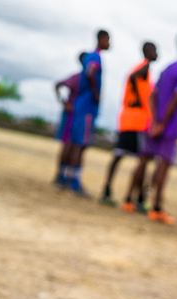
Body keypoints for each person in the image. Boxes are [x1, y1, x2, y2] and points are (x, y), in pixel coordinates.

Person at [125, 33, 177, 225]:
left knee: (143, 161)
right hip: (170, 126)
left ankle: (128, 200)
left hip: (155, 124)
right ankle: (156, 208)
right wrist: (163, 122)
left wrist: (155, 120)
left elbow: (153, 96)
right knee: (163, 166)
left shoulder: (166, 70)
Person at [101, 42, 158, 209]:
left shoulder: (145, 70)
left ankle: (109, 190)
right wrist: (140, 101)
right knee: (142, 161)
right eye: (154, 50)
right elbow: (133, 77)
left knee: (119, 156)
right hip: (137, 121)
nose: (157, 53)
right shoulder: (144, 67)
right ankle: (136, 198)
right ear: (147, 52)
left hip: (129, 119)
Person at [64, 30, 110, 196]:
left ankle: (66, 176)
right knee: (80, 144)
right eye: (108, 40)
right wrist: (96, 93)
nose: (109, 43)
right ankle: (75, 181)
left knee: (73, 142)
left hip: (80, 106)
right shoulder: (96, 57)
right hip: (87, 108)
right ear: (102, 39)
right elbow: (91, 73)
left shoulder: (89, 57)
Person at [53, 53, 87, 186]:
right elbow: (58, 85)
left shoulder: (84, 78)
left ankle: (66, 176)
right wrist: (64, 102)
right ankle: (62, 176)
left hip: (79, 114)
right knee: (69, 144)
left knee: (75, 145)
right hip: (71, 114)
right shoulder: (78, 77)